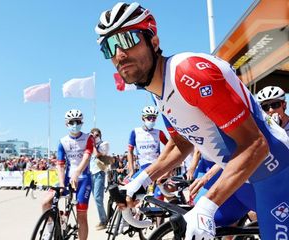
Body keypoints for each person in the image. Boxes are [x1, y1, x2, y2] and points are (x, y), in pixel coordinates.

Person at [95, 2, 289, 239]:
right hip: (241, 180)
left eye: (127, 40)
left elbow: (255, 144)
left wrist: (207, 207)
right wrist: (143, 179)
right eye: (109, 47)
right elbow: (181, 143)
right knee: (186, 232)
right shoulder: (160, 93)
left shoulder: (188, 73)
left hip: (275, 175)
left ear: (153, 42)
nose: (119, 54)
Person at [41, 109, 94, 240]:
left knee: (81, 215)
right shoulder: (62, 141)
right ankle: (51, 226)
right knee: (45, 203)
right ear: (66, 124)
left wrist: (77, 173)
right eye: (72, 122)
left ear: (82, 122)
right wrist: (62, 184)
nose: (75, 124)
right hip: (67, 178)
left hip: (83, 179)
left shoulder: (88, 137)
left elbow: (86, 158)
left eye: (78, 121)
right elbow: (60, 164)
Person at [126, 105, 168, 199]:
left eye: (154, 118)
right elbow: (130, 151)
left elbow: (170, 147)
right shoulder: (135, 132)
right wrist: (131, 169)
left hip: (157, 168)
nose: (152, 120)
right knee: (129, 192)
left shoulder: (159, 133)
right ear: (143, 118)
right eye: (149, 117)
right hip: (143, 169)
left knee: (159, 200)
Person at [89, 128, 109, 230]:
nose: (94, 137)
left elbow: (97, 154)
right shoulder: (90, 145)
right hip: (91, 173)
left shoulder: (104, 144)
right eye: (92, 135)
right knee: (96, 198)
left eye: (96, 135)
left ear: (100, 135)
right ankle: (104, 218)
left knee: (98, 198)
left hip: (99, 172)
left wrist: (92, 144)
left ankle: (104, 220)